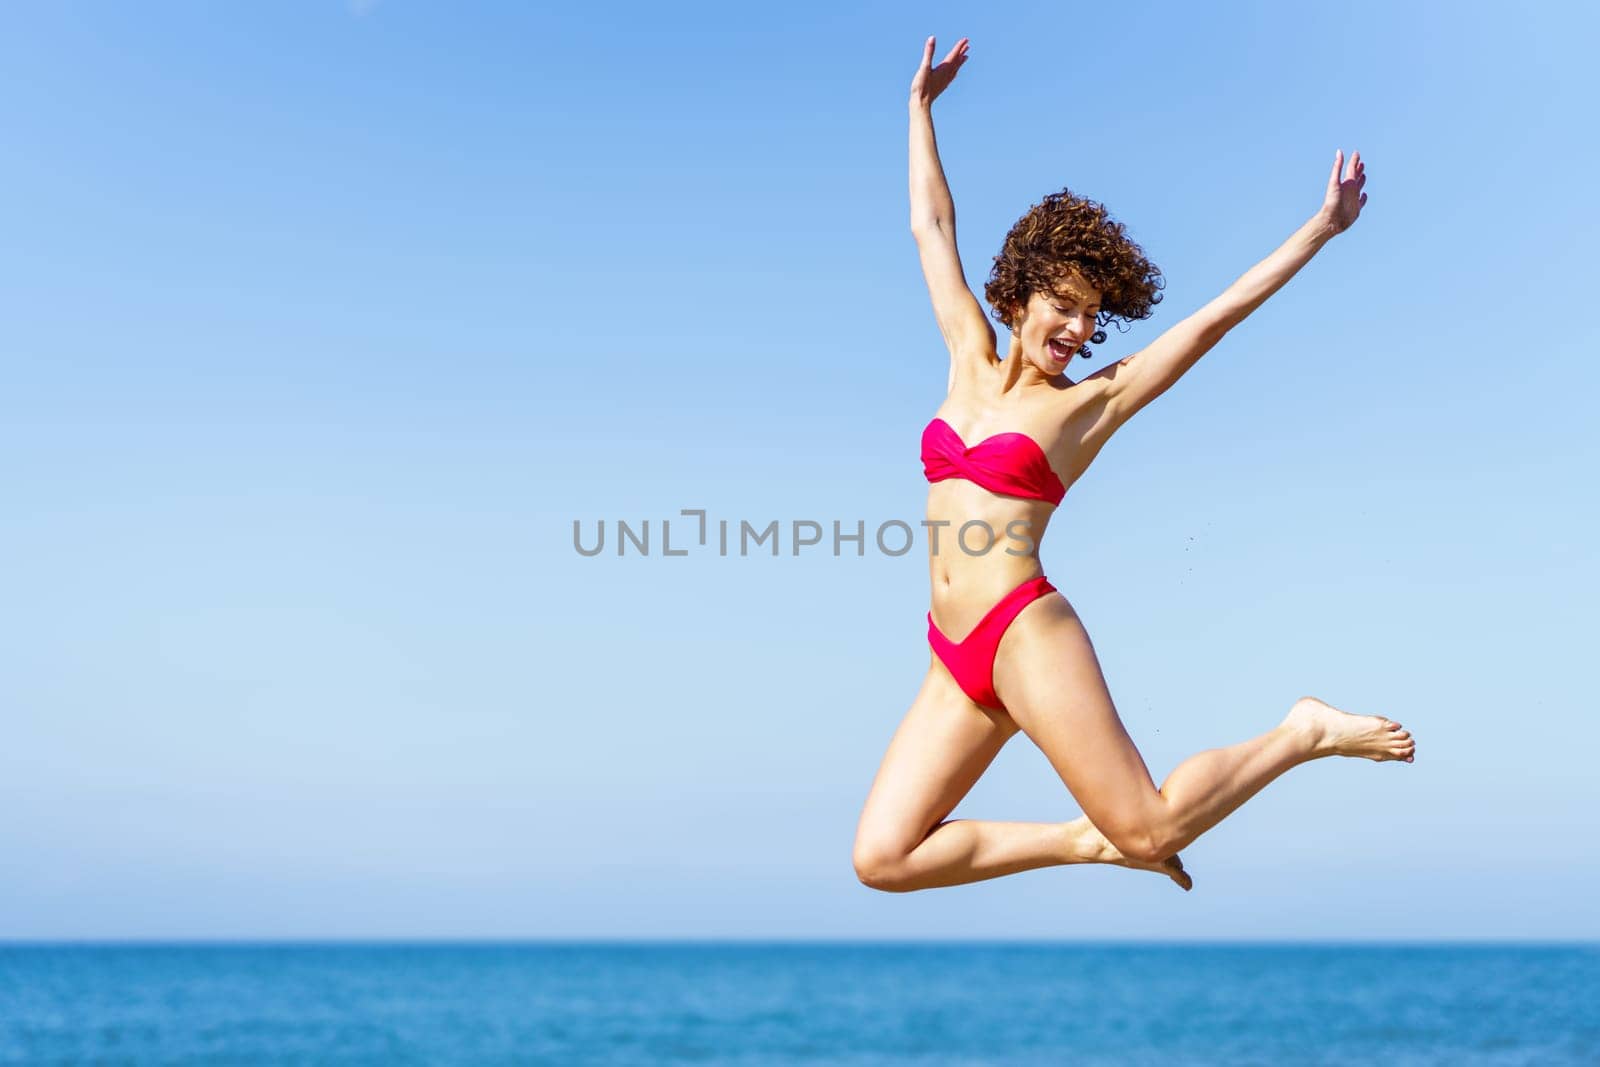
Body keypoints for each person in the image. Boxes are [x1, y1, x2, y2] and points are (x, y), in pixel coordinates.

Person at [852, 36, 1414, 894]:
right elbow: (931, 225)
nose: (1079, 331)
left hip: (1022, 633)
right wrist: (919, 110)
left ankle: (1301, 731)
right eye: (1065, 307)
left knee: (1151, 826)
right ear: (1019, 295)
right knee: (883, 857)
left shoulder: (1086, 405)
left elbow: (1212, 320)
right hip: (950, 653)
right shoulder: (966, 348)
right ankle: (1084, 842)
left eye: (1093, 317)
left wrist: (1320, 229)